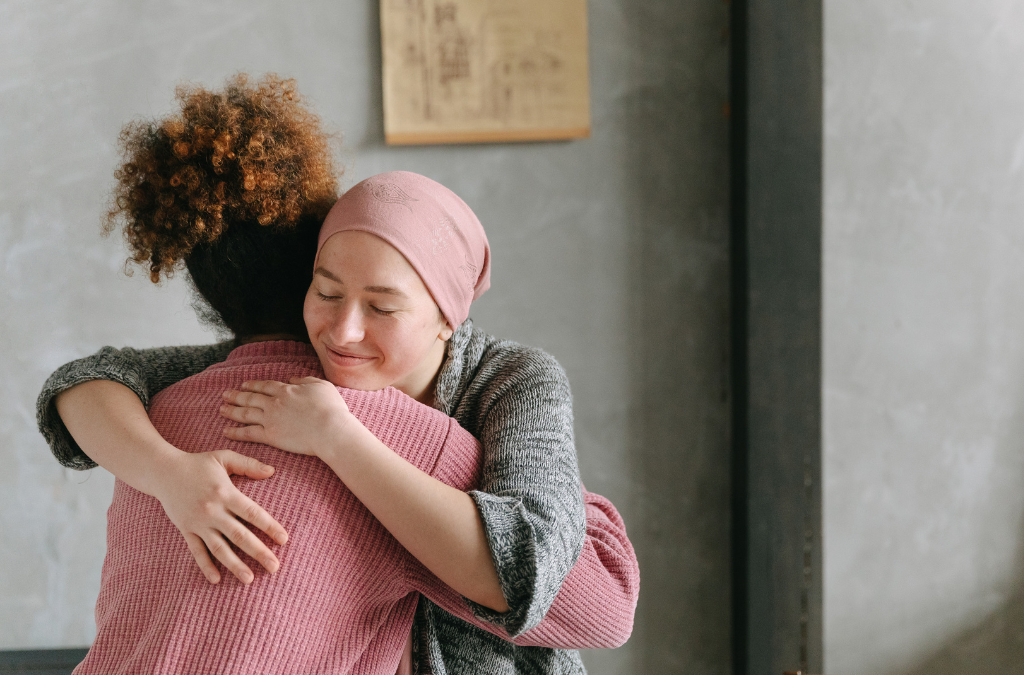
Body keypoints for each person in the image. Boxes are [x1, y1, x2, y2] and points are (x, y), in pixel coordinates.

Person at [38, 75, 638, 675]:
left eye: (382, 307)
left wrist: (338, 438)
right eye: (325, 292)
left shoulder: (509, 382)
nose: (344, 331)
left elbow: (571, 586)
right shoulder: (280, 372)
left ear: (447, 319)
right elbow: (90, 380)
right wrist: (172, 475)